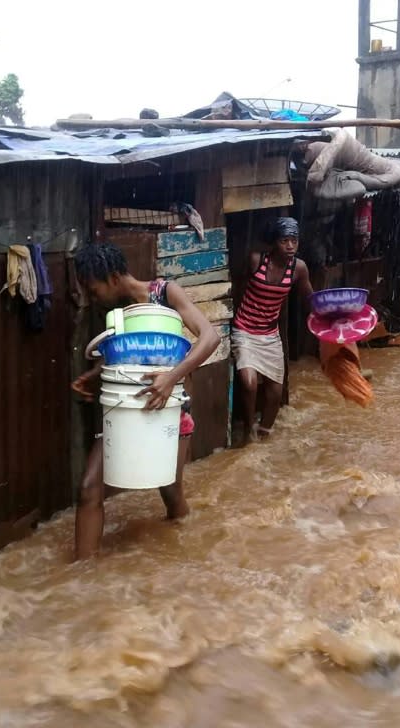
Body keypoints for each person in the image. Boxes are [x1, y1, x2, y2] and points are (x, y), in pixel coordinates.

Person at [71, 243, 219, 560]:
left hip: (169, 410)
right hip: (124, 409)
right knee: (88, 489)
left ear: (111, 278)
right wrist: (95, 373)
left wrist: (170, 377)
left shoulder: (165, 293)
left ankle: (187, 559)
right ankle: (80, 577)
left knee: (169, 490)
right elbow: (129, 357)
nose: (91, 298)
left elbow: (210, 337)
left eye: (93, 290)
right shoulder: (115, 312)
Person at [231, 216, 313, 444]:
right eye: (284, 241)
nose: (290, 246)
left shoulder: (299, 268)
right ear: (273, 243)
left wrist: (330, 318)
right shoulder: (256, 260)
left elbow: (310, 300)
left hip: (270, 334)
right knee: (248, 382)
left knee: (276, 391)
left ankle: (264, 434)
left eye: (294, 241)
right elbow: (236, 289)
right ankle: (249, 431)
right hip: (245, 329)